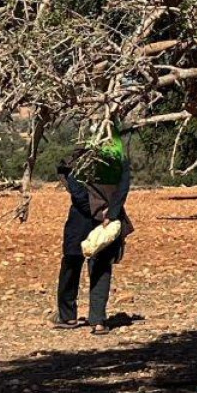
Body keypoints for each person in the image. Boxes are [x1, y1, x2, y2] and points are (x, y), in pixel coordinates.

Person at [57, 137, 133, 332]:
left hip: (83, 217)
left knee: (74, 263)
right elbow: (123, 187)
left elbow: (70, 179)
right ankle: (97, 320)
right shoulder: (119, 156)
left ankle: (69, 317)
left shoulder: (82, 153)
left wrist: (91, 208)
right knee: (96, 266)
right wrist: (111, 212)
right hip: (106, 218)